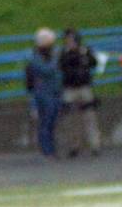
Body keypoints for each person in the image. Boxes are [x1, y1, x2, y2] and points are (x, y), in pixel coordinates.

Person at [59, 28, 102, 157]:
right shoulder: (64, 54)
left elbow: (94, 63)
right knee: (70, 119)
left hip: (84, 87)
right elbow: (62, 67)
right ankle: (74, 146)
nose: (70, 42)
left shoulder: (85, 51)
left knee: (89, 117)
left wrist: (85, 55)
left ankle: (95, 145)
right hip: (69, 88)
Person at [24, 27, 62, 159]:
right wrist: (56, 60)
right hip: (43, 94)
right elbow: (47, 70)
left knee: (52, 122)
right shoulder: (36, 58)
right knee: (45, 122)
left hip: (54, 92)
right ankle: (47, 150)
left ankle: (51, 148)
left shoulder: (51, 55)